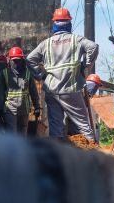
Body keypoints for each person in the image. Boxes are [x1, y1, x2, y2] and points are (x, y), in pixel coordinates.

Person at [27, 8, 99, 144]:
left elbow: (30, 59)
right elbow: (93, 47)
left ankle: (57, 156)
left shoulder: (46, 44)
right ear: (69, 24)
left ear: (54, 24)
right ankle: (92, 155)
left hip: (51, 91)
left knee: (56, 128)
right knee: (83, 124)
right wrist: (86, 66)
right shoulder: (76, 40)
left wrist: (41, 76)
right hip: (70, 89)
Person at [0, 47, 40, 136]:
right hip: (10, 109)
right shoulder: (4, 74)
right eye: (14, 61)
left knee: (23, 133)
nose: (16, 63)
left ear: (22, 60)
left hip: (24, 110)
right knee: (12, 134)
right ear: (9, 60)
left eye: (18, 60)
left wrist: (37, 107)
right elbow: (0, 93)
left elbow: (34, 92)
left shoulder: (28, 73)